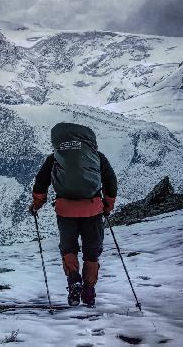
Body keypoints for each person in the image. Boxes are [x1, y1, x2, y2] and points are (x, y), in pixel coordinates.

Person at [29, 122, 117, 307]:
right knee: (91, 253)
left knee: (68, 249)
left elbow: (41, 182)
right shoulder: (97, 157)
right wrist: (107, 207)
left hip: (65, 210)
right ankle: (89, 290)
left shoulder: (55, 158)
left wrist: (37, 205)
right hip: (93, 210)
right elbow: (111, 182)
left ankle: (74, 280)